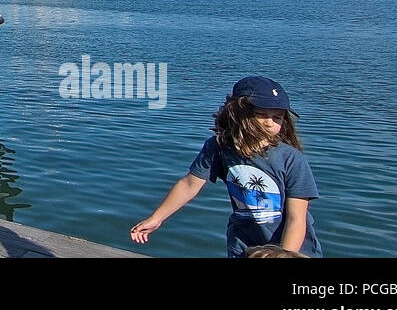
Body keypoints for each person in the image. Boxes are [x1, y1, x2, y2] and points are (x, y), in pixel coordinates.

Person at [130, 75, 321, 257]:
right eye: (261, 114)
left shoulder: (291, 158)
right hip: (244, 245)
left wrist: (282, 255)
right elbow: (189, 185)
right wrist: (157, 218)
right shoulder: (218, 147)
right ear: (237, 113)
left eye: (277, 117)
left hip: (292, 249)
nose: (269, 123)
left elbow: (296, 218)